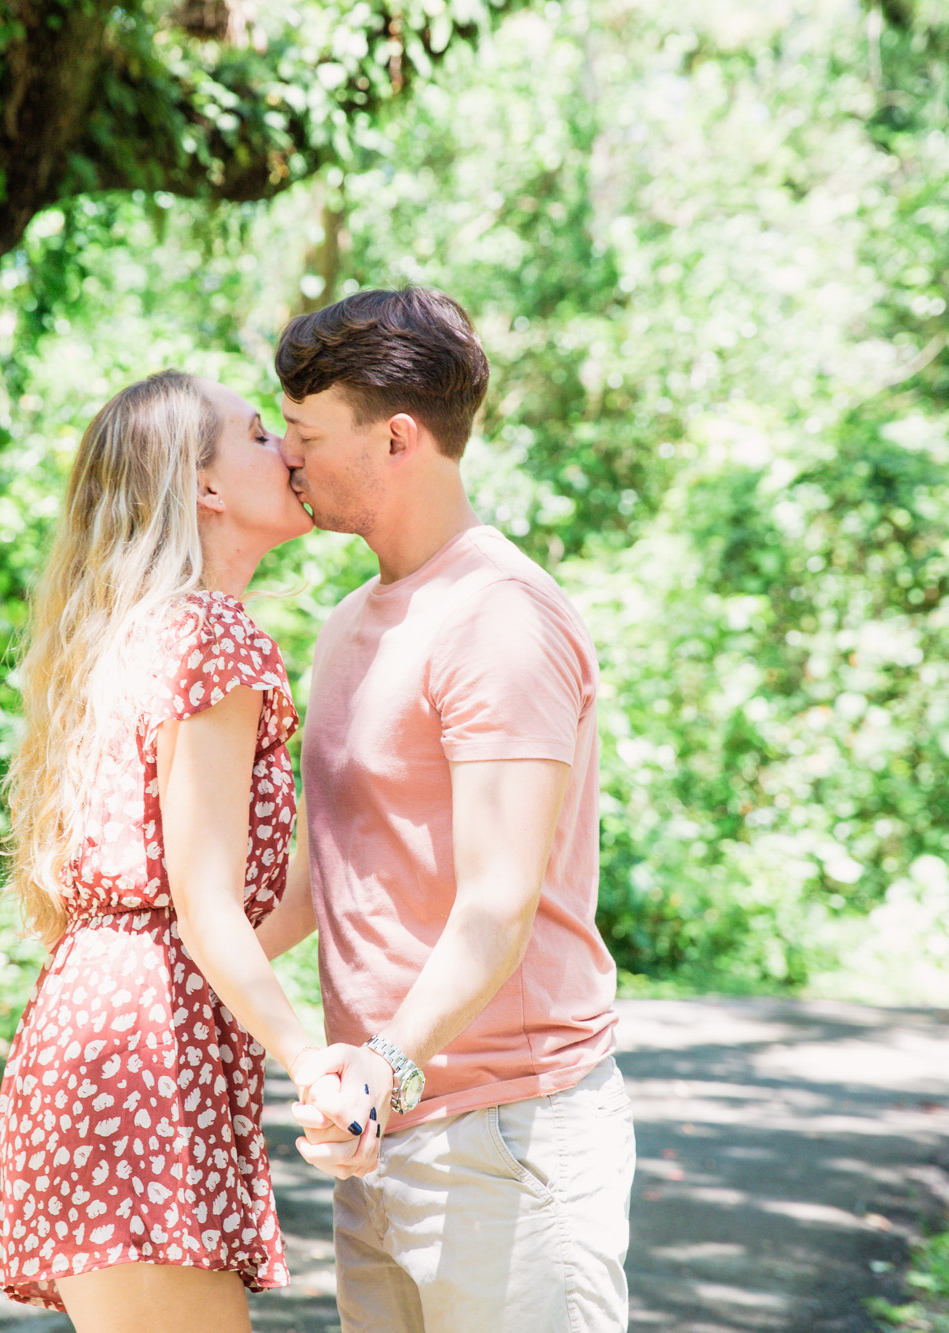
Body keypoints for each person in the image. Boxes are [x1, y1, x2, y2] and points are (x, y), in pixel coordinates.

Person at [257, 288, 637, 1333]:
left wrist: (386, 1068)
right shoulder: (348, 623)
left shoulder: (498, 617)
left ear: (395, 438)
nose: (286, 458)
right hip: (381, 1129)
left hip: (506, 1136)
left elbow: (496, 904)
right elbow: (319, 874)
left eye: (305, 435)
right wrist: (160, 973)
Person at [0, 370, 374, 1332]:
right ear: (204, 486)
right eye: (259, 435)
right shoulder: (211, 635)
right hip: (145, 1056)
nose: (288, 450)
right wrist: (309, 1061)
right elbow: (204, 910)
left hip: (102, 1031)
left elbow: (243, 912)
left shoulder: (137, 633)